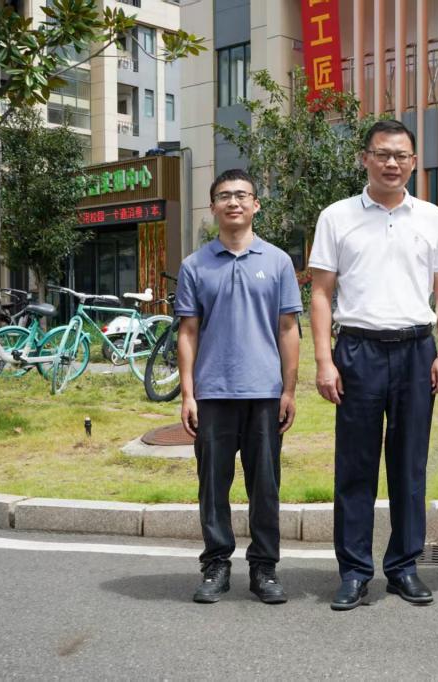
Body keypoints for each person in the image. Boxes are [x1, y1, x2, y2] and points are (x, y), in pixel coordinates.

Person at [308, 119, 438, 611]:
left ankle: (404, 567)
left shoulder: (432, 218)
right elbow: (321, 292)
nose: (392, 163)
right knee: (355, 467)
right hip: (358, 352)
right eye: (382, 154)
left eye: (401, 155)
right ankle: (354, 571)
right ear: (365, 159)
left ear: (414, 162)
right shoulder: (336, 216)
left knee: (410, 466)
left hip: (416, 351)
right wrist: (325, 360)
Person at [175, 168, 303, 605]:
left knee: (265, 486)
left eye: (242, 195)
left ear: (256, 204)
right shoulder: (195, 265)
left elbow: (288, 328)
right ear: (213, 206)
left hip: (265, 392)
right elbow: (188, 332)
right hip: (212, 393)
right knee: (213, 486)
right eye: (225, 196)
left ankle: (264, 568)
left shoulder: (278, 262)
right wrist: (188, 393)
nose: (233, 202)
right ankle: (216, 565)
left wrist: (289, 390)